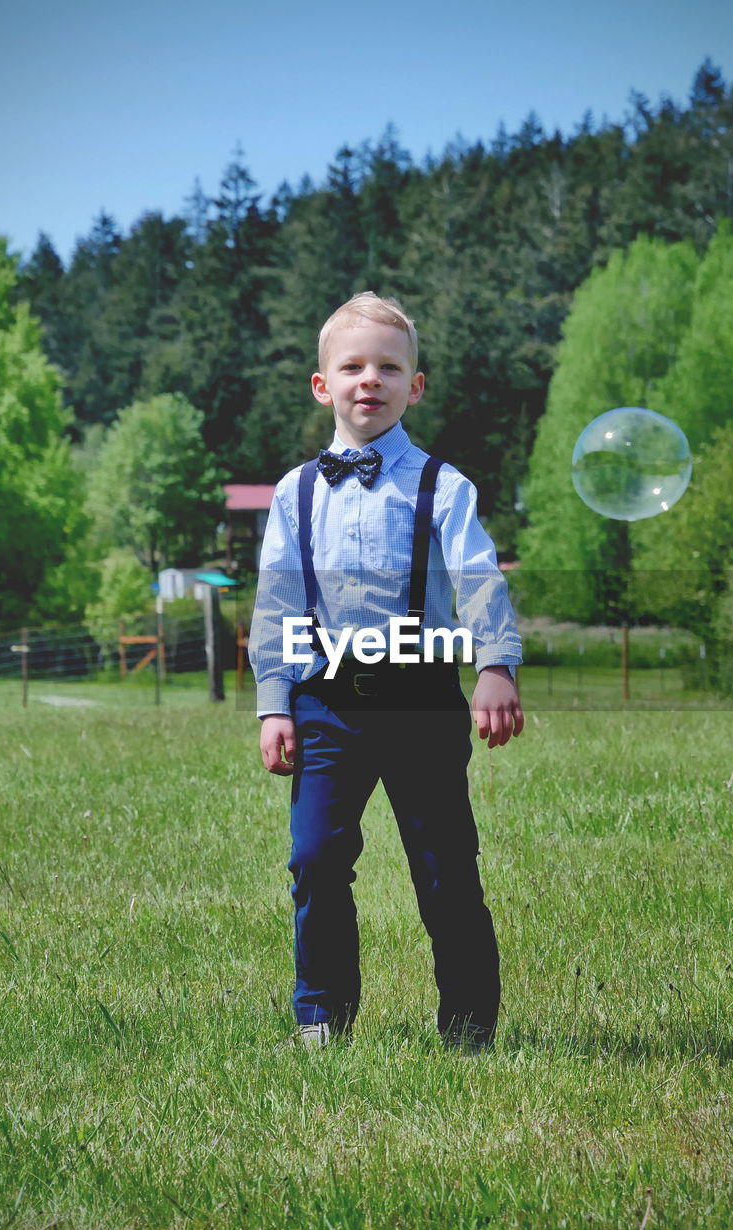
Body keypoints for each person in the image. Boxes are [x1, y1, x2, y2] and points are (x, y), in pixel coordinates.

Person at [249, 292, 523, 1051]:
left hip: (422, 705)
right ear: (322, 384)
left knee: (443, 871)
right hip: (324, 707)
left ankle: (468, 1028)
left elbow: (477, 579)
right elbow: (276, 603)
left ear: (415, 386)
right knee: (314, 860)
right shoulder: (294, 493)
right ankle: (319, 1019)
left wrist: (495, 665)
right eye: (352, 366)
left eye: (388, 367)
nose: (369, 379)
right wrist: (275, 704)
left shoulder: (444, 486)